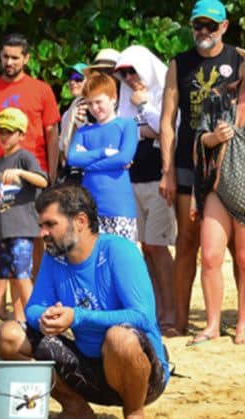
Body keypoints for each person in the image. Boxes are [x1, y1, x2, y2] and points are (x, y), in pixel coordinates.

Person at [0, 184, 169, 419]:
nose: (43, 233)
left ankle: (134, 413)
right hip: (85, 371)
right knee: (7, 335)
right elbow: (33, 308)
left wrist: (77, 316)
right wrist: (45, 318)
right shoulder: (54, 257)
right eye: (41, 226)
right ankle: (76, 407)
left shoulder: (119, 250)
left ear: (80, 221)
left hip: (142, 377)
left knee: (119, 338)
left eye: (50, 224)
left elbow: (143, 316)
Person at [159, 0, 242, 335]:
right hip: (188, 162)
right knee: (187, 243)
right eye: (198, 25)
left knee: (239, 247)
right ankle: (180, 322)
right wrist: (166, 169)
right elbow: (167, 121)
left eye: (210, 25)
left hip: (235, 162)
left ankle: (239, 323)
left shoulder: (240, 57)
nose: (203, 32)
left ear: (224, 26)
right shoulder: (179, 63)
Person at [0, 33, 61, 322]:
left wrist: (52, 173)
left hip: (33, 175)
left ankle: (31, 304)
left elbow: (51, 133)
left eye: (15, 57)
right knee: (0, 237)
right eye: (5, 56)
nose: (9, 62)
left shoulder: (42, 90)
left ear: (26, 58)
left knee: (34, 240)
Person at [114, 46, 178, 337]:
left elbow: (167, 129)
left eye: (132, 71)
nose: (128, 78)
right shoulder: (124, 98)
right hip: (131, 181)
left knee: (157, 247)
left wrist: (143, 107)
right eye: (122, 72)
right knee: (144, 249)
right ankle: (154, 311)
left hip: (159, 180)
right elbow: (123, 133)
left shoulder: (165, 88)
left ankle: (171, 314)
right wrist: (144, 128)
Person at [191, 54, 245, 345]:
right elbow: (200, 137)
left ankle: (243, 323)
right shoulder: (219, 97)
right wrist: (213, 137)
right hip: (218, 185)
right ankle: (212, 324)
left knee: (244, 259)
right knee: (210, 256)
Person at [0, 108, 47, 322]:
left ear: (21, 134)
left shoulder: (24, 157)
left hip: (22, 228)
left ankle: (35, 321)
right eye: (1, 131)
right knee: (11, 276)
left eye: (9, 132)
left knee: (22, 275)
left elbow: (43, 180)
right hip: (3, 229)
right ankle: (20, 320)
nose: (3, 136)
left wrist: (21, 173)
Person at [67, 73, 138, 241]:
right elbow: (72, 159)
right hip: (89, 207)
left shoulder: (127, 125)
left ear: (113, 99)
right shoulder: (84, 131)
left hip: (120, 207)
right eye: (90, 103)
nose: (95, 108)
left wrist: (88, 165)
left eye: (99, 102)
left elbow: (124, 158)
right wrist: (104, 153)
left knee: (121, 260)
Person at [58, 62, 88, 185]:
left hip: (86, 169)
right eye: (70, 79)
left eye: (78, 79)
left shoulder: (92, 107)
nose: (72, 82)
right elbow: (62, 145)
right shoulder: (68, 112)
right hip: (70, 169)